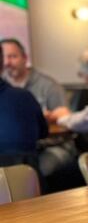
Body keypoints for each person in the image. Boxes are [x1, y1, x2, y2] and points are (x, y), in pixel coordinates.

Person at [0, 38, 77, 176]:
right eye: (4, 58)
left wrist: (51, 117)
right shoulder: (4, 86)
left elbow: (66, 122)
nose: (7, 63)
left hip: (55, 146)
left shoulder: (49, 86)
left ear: (25, 58)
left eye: (12, 56)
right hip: (26, 151)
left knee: (33, 174)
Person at [0, 45, 48, 160]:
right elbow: (43, 132)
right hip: (26, 173)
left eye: (13, 56)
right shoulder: (25, 97)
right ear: (2, 65)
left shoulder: (46, 85)